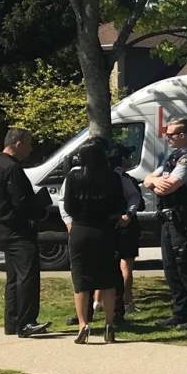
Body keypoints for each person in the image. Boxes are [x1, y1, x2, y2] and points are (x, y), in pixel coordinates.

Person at [144, 116, 187, 330]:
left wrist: (154, 183)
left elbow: (167, 187)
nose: (167, 137)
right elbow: (148, 179)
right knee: (172, 269)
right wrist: (153, 181)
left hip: (185, 221)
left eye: (171, 134)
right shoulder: (171, 158)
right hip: (168, 220)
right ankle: (180, 313)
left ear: (183, 135)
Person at [62, 141, 128, 344]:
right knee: (108, 278)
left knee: (80, 279)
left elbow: (69, 206)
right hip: (105, 230)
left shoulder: (74, 177)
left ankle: (83, 323)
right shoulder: (112, 178)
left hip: (81, 229)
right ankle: (109, 323)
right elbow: (119, 203)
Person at [0, 126, 49, 337]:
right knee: (27, 276)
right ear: (18, 144)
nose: (30, 149)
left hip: (3, 227)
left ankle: (12, 321)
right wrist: (40, 203)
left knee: (14, 277)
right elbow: (21, 202)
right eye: (28, 144)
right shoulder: (12, 169)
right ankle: (26, 322)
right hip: (19, 228)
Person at [107, 143, 144, 319]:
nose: (130, 160)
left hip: (108, 225)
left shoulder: (103, 176)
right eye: (127, 157)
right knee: (126, 264)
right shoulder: (125, 178)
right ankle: (127, 299)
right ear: (121, 159)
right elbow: (136, 199)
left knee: (106, 263)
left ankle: (98, 300)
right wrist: (128, 214)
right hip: (126, 225)